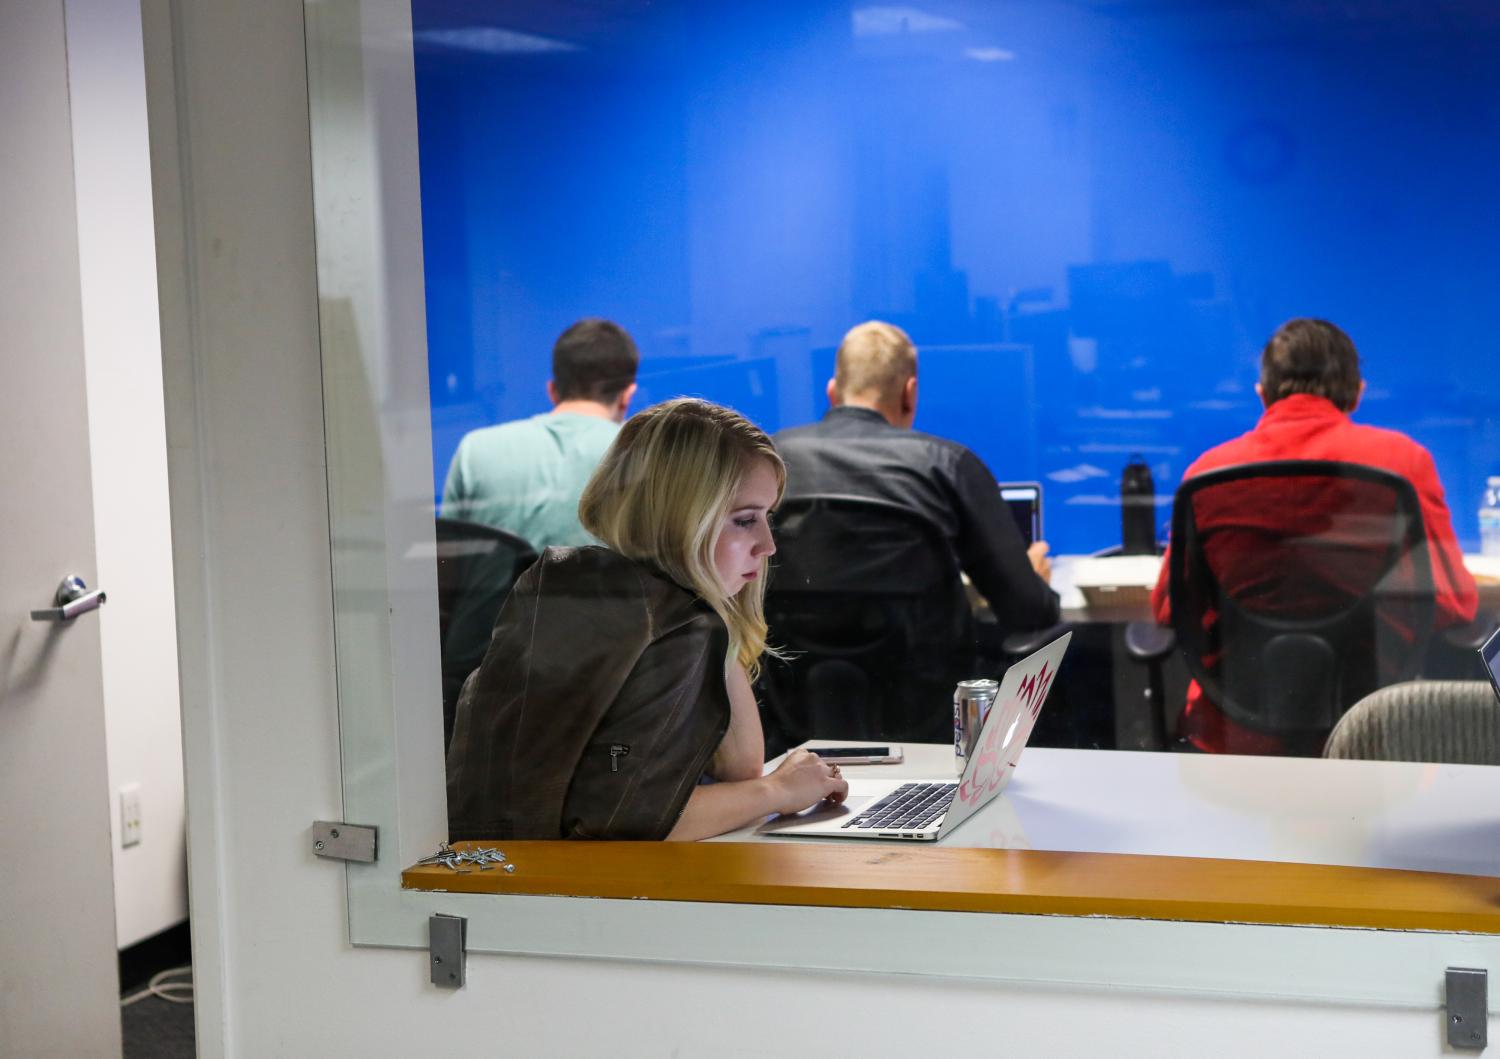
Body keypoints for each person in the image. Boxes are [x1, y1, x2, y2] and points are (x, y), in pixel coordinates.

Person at [446, 398, 850, 841]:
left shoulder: (588, 588)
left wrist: (716, 606)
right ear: (682, 518)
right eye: (744, 520)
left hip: (487, 869)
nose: (767, 544)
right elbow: (631, 818)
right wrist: (778, 790)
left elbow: (738, 767)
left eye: (766, 517)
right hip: (553, 890)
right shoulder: (672, 627)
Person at [1151, 317, 1478, 753]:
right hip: (1371, 731)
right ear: (1358, 392)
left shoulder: (1208, 471)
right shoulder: (1402, 462)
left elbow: (1171, 608)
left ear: (1262, 394)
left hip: (1234, 735)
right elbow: (1453, 602)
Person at [774, 320, 1059, 634]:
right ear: (910, 393)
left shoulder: (770, 462)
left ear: (832, 393)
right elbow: (1029, 612)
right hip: (930, 682)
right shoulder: (947, 466)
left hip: (786, 678)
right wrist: (1032, 579)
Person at [440, 318, 640, 551]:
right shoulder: (641, 454)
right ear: (627, 396)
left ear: (552, 390)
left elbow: (446, 564)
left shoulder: (475, 450)